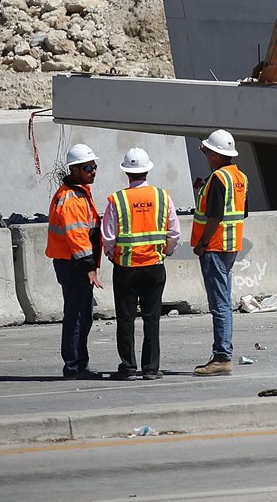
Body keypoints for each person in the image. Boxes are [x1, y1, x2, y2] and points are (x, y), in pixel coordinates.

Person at [102, 148, 180, 381]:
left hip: (126, 268)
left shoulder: (117, 200)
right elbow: (174, 232)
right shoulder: (162, 197)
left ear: (126, 172)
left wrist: (112, 255)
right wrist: (165, 251)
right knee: (151, 318)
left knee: (125, 319)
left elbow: (108, 237)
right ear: (147, 169)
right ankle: (151, 368)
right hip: (154, 267)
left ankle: (127, 368)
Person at [191, 129, 248, 376]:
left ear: (215, 154)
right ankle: (222, 354)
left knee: (220, 304)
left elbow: (215, 216)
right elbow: (242, 212)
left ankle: (222, 356)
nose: (205, 155)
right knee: (223, 302)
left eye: (206, 151)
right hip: (231, 246)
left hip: (214, 247)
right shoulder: (239, 177)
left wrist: (202, 243)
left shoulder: (218, 179)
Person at [45, 143, 103, 379]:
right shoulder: (71, 198)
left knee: (82, 313)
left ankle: (78, 364)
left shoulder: (78, 193)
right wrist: (89, 267)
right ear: (75, 170)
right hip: (73, 264)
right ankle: (74, 366)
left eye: (94, 166)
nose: (93, 171)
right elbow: (77, 235)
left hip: (72, 262)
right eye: (89, 167)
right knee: (78, 314)